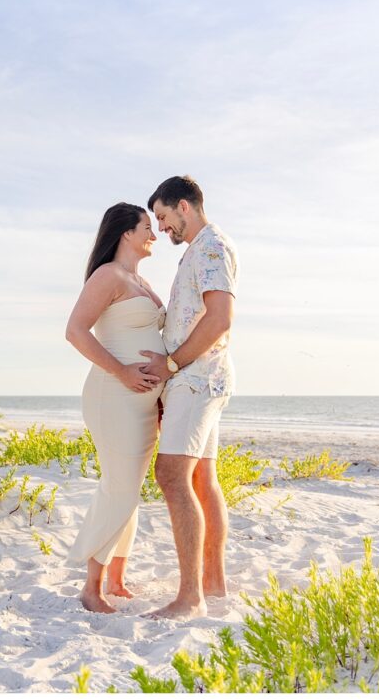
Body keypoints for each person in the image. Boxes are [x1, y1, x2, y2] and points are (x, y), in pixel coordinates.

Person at [137, 175, 238, 620]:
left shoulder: (211, 246)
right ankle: (213, 582)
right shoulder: (201, 249)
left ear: (184, 206)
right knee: (201, 481)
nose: (161, 229)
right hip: (203, 377)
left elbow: (219, 318)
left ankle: (190, 596)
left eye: (162, 217)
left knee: (171, 474)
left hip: (198, 378)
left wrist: (172, 365)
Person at [65, 203, 165, 613]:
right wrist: (123, 372)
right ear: (125, 232)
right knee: (119, 487)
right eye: (146, 226)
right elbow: (74, 331)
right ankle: (92, 587)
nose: (153, 234)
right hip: (113, 395)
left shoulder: (139, 280)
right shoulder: (108, 276)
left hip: (142, 402)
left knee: (130, 489)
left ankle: (117, 578)